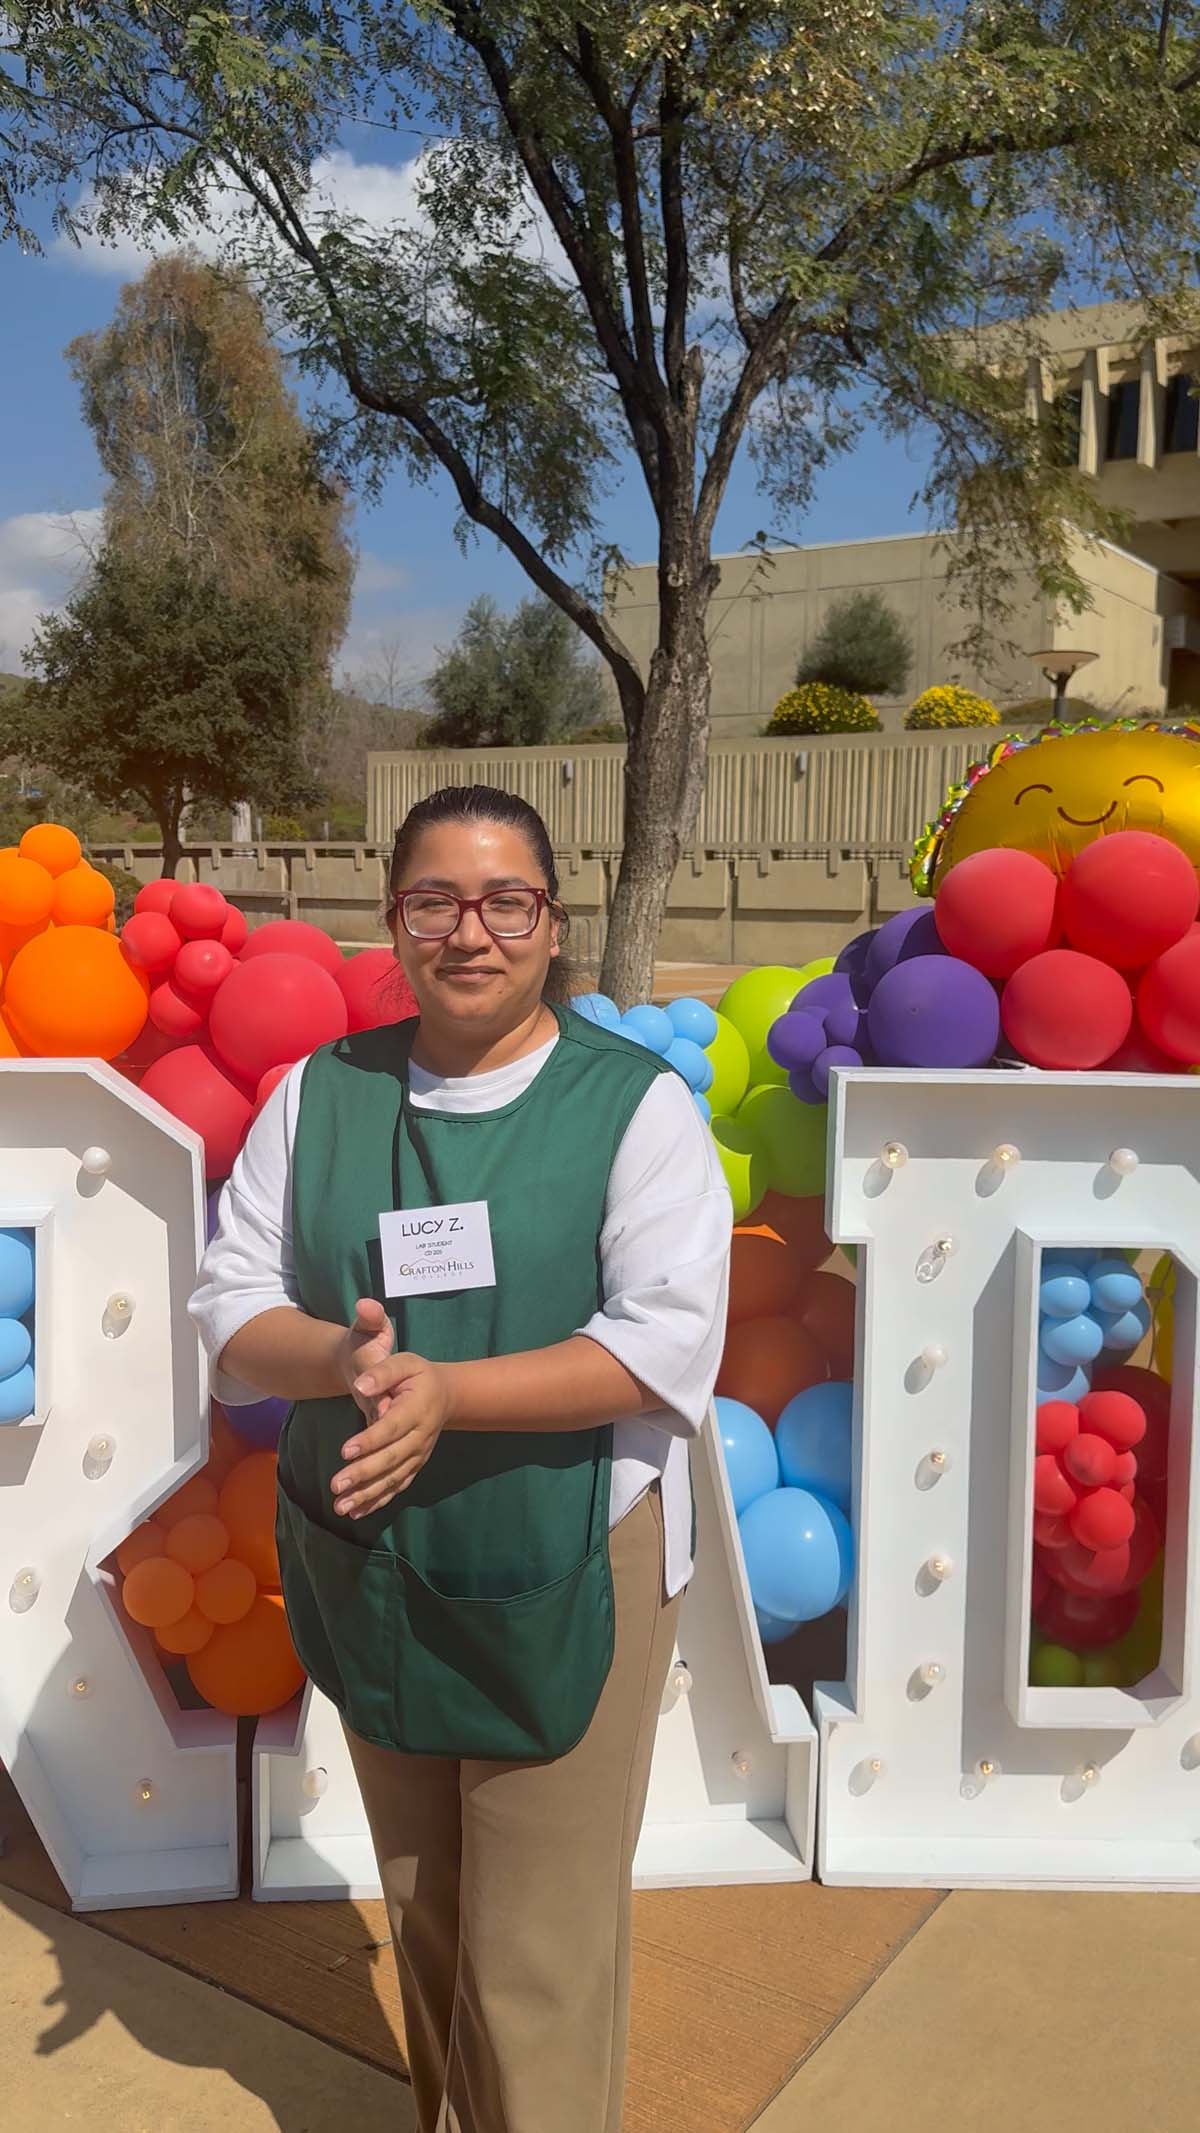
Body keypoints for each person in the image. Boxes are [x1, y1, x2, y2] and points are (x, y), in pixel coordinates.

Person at [189, 784, 731, 2133]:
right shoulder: (323, 1094)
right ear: (395, 923)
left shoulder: (633, 1109)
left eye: (507, 901)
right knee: (429, 1918)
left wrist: (453, 1394)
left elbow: (666, 1340)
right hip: (374, 1555)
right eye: (436, 900)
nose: (470, 931)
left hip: (568, 1558)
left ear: (553, 927)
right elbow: (229, 1302)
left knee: (537, 1954)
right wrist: (348, 1365)